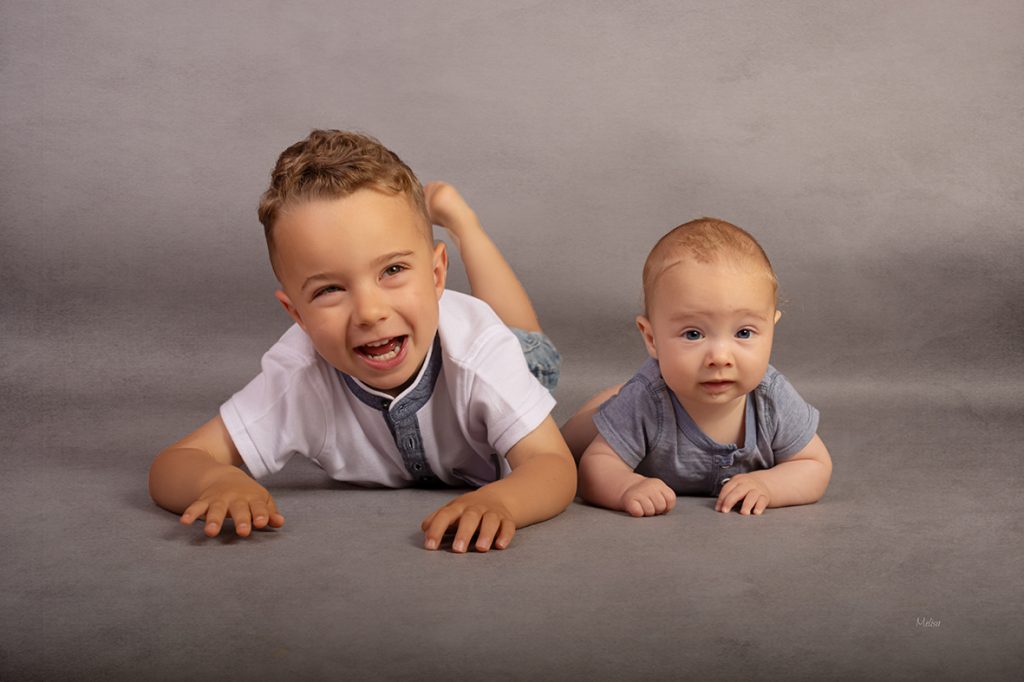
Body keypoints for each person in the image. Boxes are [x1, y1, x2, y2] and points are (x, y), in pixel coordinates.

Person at [148, 130, 575, 552]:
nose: (370, 312)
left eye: (392, 270)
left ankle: (463, 223)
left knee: (523, 338)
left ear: (436, 274)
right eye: (329, 290)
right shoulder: (298, 377)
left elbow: (552, 464)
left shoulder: (481, 352)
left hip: (511, 355)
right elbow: (176, 461)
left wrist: (502, 500)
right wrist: (218, 479)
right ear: (296, 315)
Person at [561, 218, 831, 517]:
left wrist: (767, 485)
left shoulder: (772, 397)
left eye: (744, 333)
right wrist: (626, 486)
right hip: (627, 403)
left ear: (771, 330)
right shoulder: (647, 399)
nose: (719, 357)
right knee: (564, 451)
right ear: (652, 338)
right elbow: (595, 464)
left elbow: (813, 465)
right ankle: (585, 419)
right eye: (693, 334)